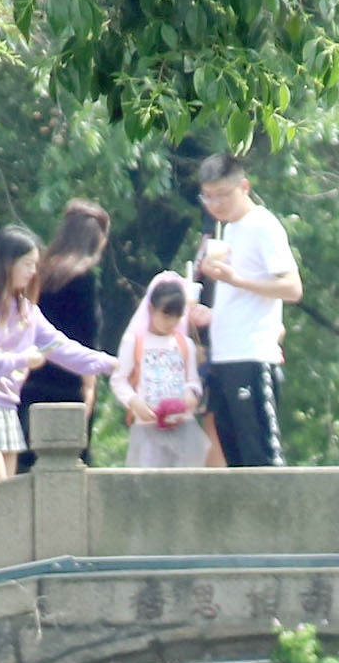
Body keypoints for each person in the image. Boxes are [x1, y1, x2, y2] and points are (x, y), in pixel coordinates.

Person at [0, 225, 115, 480]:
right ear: (7, 263)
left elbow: (61, 347)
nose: (33, 272)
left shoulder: (26, 311)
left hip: (7, 404)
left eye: (35, 264)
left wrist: (110, 364)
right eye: (27, 264)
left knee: (8, 494)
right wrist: (22, 359)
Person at [187, 154, 299, 469]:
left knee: (261, 459)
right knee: (236, 463)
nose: (215, 203)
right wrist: (210, 315)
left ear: (244, 187)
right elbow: (241, 299)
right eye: (207, 196)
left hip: (252, 357)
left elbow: (292, 288)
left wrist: (235, 279)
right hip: (223, 359)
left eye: (223, 194)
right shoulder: (228, 230)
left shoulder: (262, 225)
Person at [19, 200, 113, 467]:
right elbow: (87, 337)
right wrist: (89, 387)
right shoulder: (84, 279)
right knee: (71, 463)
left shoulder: (37, 275)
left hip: (28, 381)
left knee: (27, 465)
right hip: (68, 386)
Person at [109, 274, 216, 470]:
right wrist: (134, 402)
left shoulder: (185, 344)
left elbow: (192, 380)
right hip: (147, 425)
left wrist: (190, 394)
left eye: (177, 317)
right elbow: (119, 380)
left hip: (182, 425)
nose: (171, 322)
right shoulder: (134, 342)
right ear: (151, 309)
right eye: (166, 315)